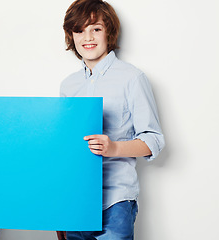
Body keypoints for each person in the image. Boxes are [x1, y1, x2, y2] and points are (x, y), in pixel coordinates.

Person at [57, 0, 165, 239]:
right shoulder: (68, 85)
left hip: (116, 200)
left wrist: (113, 147)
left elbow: (154, 140)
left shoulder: (132, 78)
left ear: (109, 31)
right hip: (77, 199)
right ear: (71, 36)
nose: (88, 37)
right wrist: (61, 207)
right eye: (79, 30)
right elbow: (66, 149)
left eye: (96, 28)